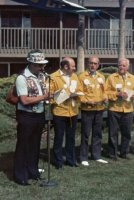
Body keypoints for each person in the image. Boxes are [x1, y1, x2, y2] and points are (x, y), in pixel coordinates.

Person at [14, 49, 49, 186]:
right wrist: (43, 97)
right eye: (39, 65)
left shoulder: (41, 76)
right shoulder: (22, 78)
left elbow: (42, 94)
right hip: (27, 116)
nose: (42, 68)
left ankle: (32, 171)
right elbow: (24, 100)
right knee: (23, 145)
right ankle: (20, 175)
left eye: (42, 65)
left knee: (35, 145)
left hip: (39, 114)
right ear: (31, 64)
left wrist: (48, 97)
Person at [105, 58, 134, 160]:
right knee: (113, 133)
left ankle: (124, 152)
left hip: (128, 110)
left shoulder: (133, 78)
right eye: (120, 65)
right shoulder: (111, 78)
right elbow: (106, 92)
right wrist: (117, 94)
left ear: (127, 67)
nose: (121, 67)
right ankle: (112, 154)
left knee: (126, 133)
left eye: (124, 66)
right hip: (114, 109)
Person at [50, 57, 82, 169]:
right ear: (65, 67)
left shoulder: (74, 76)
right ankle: (58, 162)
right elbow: (49, 96)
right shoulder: (53, 77)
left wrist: (77, 94)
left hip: (72, 112)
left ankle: (71, 160)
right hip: (59, 112)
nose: (74, 68)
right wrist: (64, 96)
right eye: (73, 66)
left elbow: (79, 89)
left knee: (71, 137)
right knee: (59, 137)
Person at [79, 56, 108, 166]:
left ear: (98, 65)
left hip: (99, 109)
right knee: (86, 134)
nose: (93, 65)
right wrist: (86, 101)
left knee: (97, 133)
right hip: (87, 109)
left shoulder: (101, 77)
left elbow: (104, 91)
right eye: (91, 63)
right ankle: (83, 157)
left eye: (95, 64)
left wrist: (105, 97)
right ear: (88, 63)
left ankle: (96, 155)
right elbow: (79, 93)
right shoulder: (82, 77)